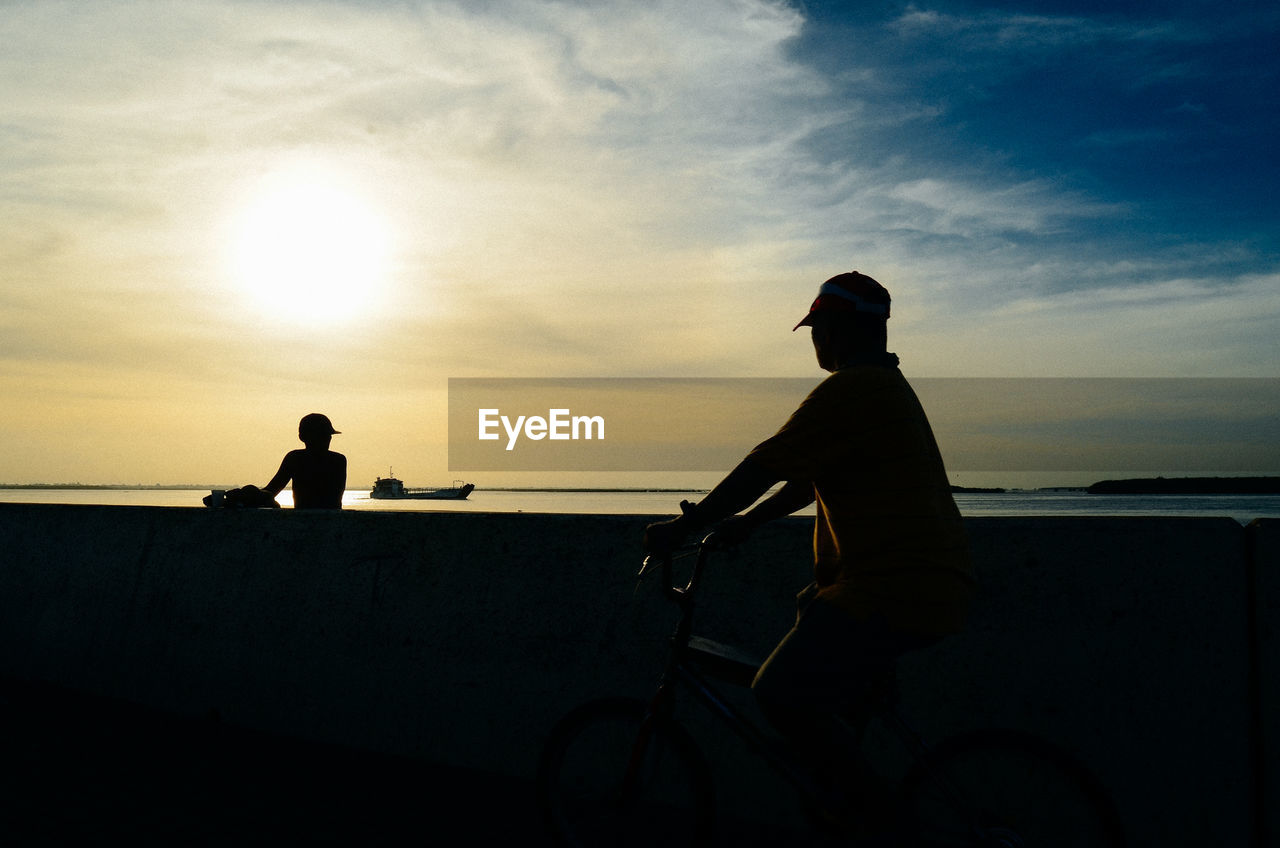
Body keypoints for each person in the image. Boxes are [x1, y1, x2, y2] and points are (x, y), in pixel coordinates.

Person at [644, 271, 974, 826]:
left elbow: (766, 463)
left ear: (840, 326)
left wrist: (686, 527)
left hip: (892, 587)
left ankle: (882, 826)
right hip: (923, 582)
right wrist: (747, 523)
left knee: (777, 692)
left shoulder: (852, 388)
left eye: (818, 327)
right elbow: (806, 478)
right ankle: (842, 811)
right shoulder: (885, 390)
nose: (815, 341)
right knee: (821, 653)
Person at [263, 413, 348, 509]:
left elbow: (271, 491)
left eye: (326, 435)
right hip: (331, 519)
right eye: (322, 435)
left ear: (302, 437)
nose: (328, 439)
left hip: (305, 518)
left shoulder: (294, 458)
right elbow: (271, 490)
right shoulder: (339, 460)